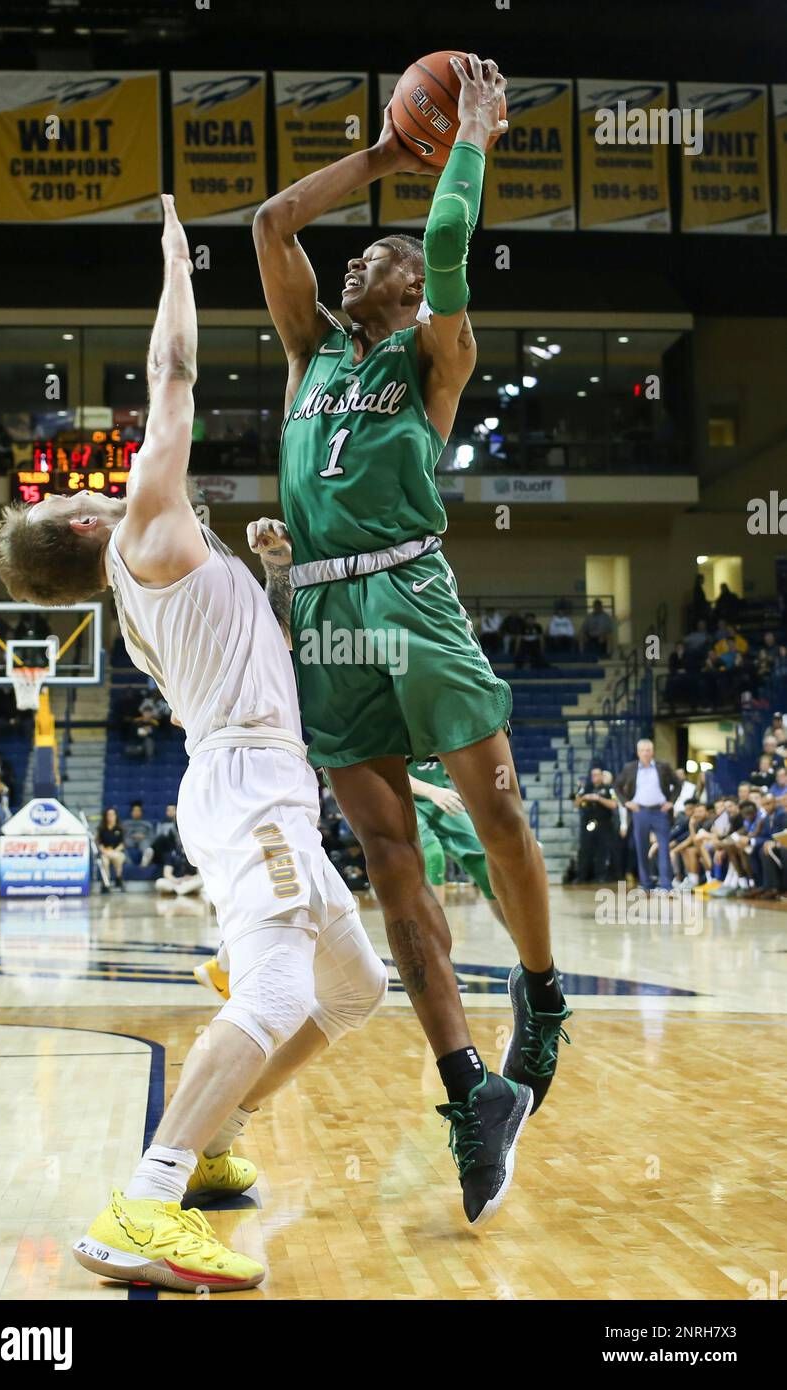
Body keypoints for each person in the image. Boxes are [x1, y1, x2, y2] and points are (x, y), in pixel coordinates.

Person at [0, 194, 387, 1294]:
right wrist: (177, 259)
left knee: (352, 989)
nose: (97, 484)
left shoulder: (154, 568)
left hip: (259, 778)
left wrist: (265, 577)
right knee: (266, 996)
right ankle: (143, 1205)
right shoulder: (144, 528)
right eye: (83, 489)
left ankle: (215, 1134)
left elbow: (240, 656)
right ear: (83, 525)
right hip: (251, 790)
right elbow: (173, 378)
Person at [253, 52, 568, 1227]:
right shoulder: (306, 354)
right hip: (326, 612)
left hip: (409, 594)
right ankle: (465, 1090)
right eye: (360, 254)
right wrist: (382, 154)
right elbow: (271, 219)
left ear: (406, 292)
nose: (359, 259)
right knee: (388, 856)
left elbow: (444, 255)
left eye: (376, 255)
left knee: (492, 810)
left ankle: (540, 995)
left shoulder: (431, 357)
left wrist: (466, 141)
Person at [408, 757, 506, 921]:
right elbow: (386, 770)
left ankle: (520, 940)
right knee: (433, 855)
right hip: (403, 798)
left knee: (484, 865)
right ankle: (435, 939)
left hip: (441, 794)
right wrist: (432, 791)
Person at [615, 739, 681, 892]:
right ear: (638, 752)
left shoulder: (663, 766)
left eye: (648, 750)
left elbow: (677, 784)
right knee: (641, 848)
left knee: (663, 848)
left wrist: (671, 801)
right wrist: (626, 803)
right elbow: (617, 786)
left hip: (660, 811)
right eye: (643, 750)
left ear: (653, 751)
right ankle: (646, 884)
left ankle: (666, 885)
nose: (646, 753)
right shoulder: (629, 768)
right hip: (640, 812)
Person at [573, 767, 617, 883]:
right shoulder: (586, 788)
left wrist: (598, 799)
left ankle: (601, 876)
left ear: (602, 776)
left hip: (603, 823)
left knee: (602, 850)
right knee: (585, 850)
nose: (594, 777)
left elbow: (613, 804)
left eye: (597, 775)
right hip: (588, 823)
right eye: (592, 775)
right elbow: (576, 804)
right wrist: (583, 797)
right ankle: (582, 876)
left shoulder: (608, 789)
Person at [97, 807, 127, 892]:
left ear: (116, 816)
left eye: (112, 814)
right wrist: (104, 851)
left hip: (116, 851)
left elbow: (122, 844)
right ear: (105, 816)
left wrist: (113, 851)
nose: (110, 816)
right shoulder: (102, 829)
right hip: (105, 852)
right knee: (104, 861)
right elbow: (99, 844)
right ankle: (106, 883)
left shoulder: (120, 828)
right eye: (109, 815)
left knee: (118, 858)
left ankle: (119, 878)